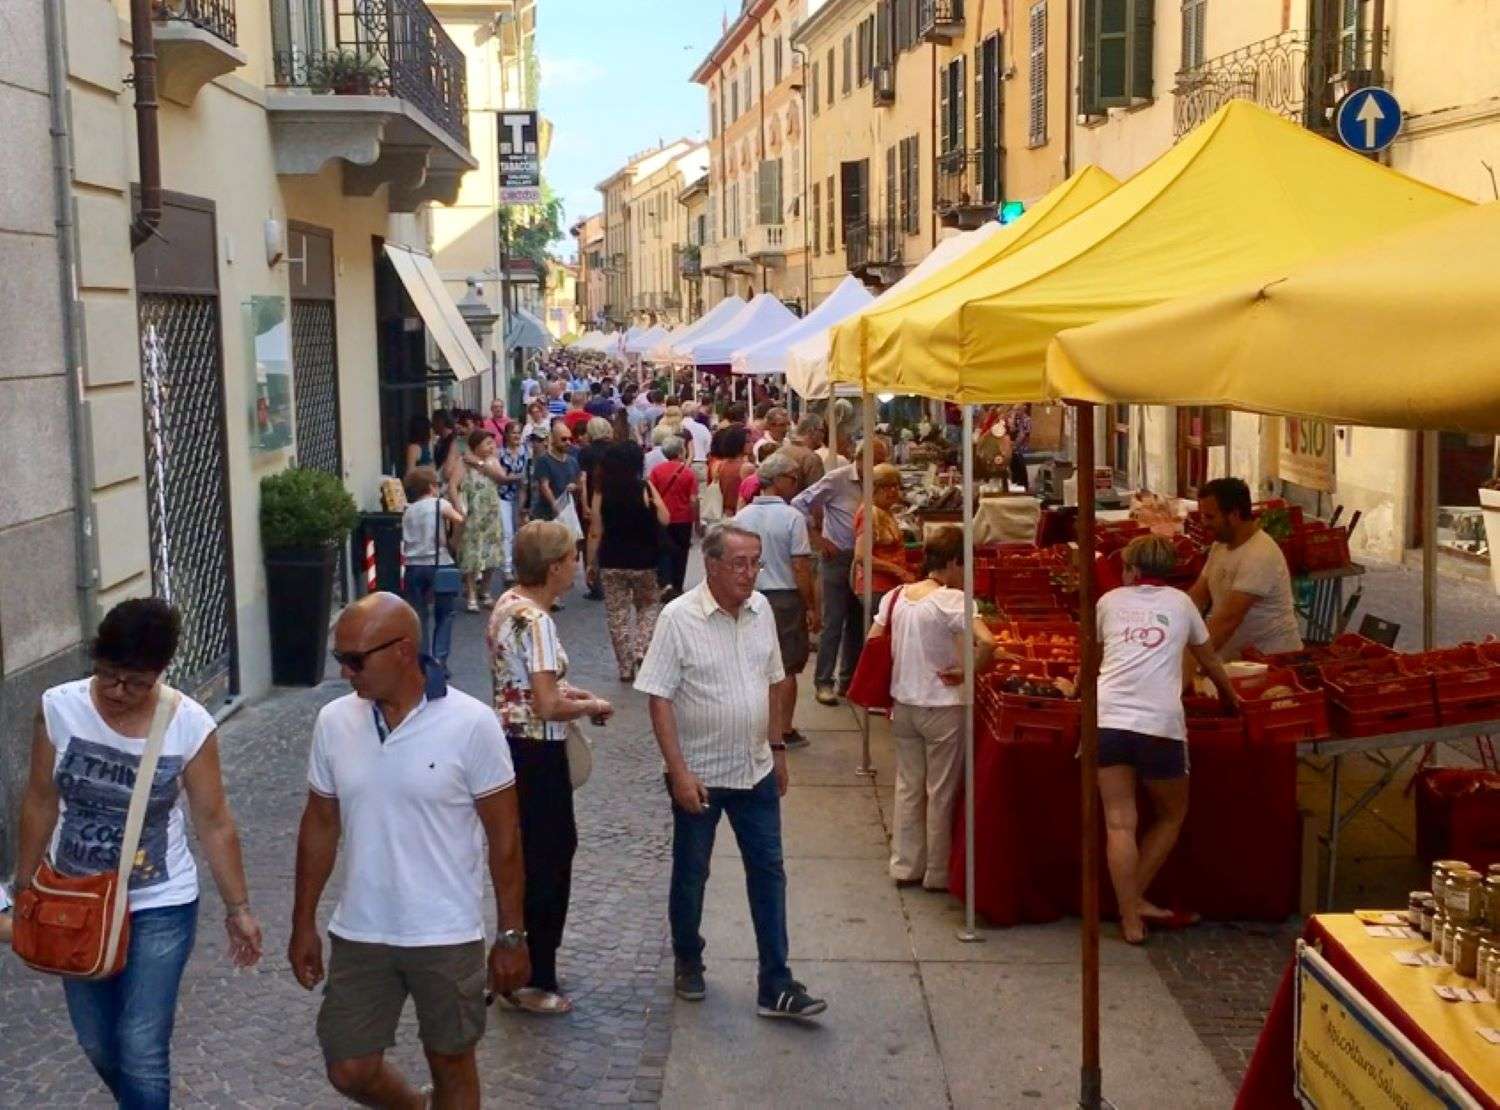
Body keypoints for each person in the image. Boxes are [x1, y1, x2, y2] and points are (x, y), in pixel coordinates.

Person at [15, 598, 263, 1107]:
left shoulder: (189, 725)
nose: (117, 692)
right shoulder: (59, 707)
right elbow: (41, 799)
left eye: (135, 682)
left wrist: (239, 909)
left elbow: (214, 823)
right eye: (107, 675)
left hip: (159, 902)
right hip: (75, 897)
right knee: (96, 1041)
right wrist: (24, 885)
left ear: (161, 673)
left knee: (142, 1045)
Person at [290, 593, 530, 1104]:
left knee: (451, 1061)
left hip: (445, 932)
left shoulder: (472, 724)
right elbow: (320, 823)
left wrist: (511, 934)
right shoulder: (335, 721)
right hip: (360, 930)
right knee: (349, 1067)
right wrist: (302, 922)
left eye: (356, 660)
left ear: (402, 650)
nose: (346, 673)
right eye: (340, 661)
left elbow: (505, 839)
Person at [635, 523, 828, 1021]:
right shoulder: (679, 618)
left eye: (756, 563)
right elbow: (658, 697)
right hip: (700, 772)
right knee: (692, 874)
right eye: (739, 564)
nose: (750, 574)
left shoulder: (762, 609)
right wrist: (677, 770)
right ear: (712, 566)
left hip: (755, 768)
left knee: (768, 873)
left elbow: (774, 680)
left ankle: (776, 982)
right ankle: (688, 956)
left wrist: (778, 746)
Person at [487, 523, 616, 1015]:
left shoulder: (508, 606)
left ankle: (519, 964)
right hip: (537, 752)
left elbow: (523, 687)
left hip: (511, 748)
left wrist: (574, 694)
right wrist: (589, 705)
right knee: (550, 861)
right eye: (572, 558)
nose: (577, 566)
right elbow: (543, 703)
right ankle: (533, 977)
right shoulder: (537, 621)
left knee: (529, 858)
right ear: (555, 565)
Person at [1087, 535, 1241, 943]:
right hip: (1160, 725)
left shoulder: (1110, 602)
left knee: (1119, 823)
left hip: (1109, 719)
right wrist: (1230, 697)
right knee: (1171, 816)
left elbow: (1096, 661)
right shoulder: (1182, 604)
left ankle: (1130, 918)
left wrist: (1076, 694)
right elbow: (1210, 660)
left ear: (1134, 570)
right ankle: (1133, 903)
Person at [867, 527, 996, 891]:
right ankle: (937, 871)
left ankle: (906, 865)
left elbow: (873, 642)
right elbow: (988, 641)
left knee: (909, 786)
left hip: (904, 702)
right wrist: (969, 668)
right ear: (955, 562)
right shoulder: (954, 600)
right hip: (942, 704)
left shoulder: (895, 596)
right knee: (940, 791)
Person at [793, 437, 891, 705]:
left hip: (865, 559)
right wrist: (818, 538)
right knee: (833, 622)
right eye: (877, 461)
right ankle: (824, 681)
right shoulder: (837, 480)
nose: (880, 466)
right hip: (838, 556)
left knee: (858, 622)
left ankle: (849, 681)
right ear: (861, 459)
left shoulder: (878, 482)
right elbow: (799, 503)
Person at [733, 454, 820, 749]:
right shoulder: (792, 518)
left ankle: (754, 724)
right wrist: (810, 605)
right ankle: (783, 728)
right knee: (786, 666)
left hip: (750, 595)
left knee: (752, 663)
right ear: (780, 480)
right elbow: (800, 566)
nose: (796, 484)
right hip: (784, 597)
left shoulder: (742, 517)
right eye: (794, 479)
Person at [1188, 477, 1303, 661]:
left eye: (1210, 517)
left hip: (1271, 661)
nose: (1204, 522)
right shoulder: (1220, 545)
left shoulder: (1260, 554)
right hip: (1237, 658)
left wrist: (1191, 660)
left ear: (1234, 514)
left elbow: (1229, 619)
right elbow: (1197, 595)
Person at [589, 441, 671, 681]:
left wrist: (591, 563)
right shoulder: (644, 487)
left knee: (617, 615)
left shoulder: (601, 492)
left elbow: (596, 530)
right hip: (645, 560)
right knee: (649, 607)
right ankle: (641, 648)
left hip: (612, 560)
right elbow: (665, 518)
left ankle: (625, 667)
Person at [400, 466, 465, 669]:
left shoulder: (408, 510)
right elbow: (459, 519)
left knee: (418, 615)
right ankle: (439, 660)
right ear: (431, 487)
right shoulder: (439, 503)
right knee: (444, 614)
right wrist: (453, 541)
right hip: (439, 563)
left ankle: (422, 660)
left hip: (413, 566)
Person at [455, 428, 507, 612]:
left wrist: (479, 462)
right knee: (471, 554)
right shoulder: (463, 463)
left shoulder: (491, 461)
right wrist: (458, 508)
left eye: (492, 443)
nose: (492, 446)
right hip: (473, 514)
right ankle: (470, 593)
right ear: (476, 446)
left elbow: (501, 478)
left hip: (491, 514)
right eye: (487, 443)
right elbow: (453, 486)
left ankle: (484, 590)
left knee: (491, 554)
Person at [853, 463, 915, 607]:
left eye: (895, 486)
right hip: (876, 589)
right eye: (886, 487)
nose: (893, 491)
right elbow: (861, 556)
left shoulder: (885, 511)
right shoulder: (869, 513)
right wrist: (899, 571)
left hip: (889, 588)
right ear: (874, 489)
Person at [648, 435, 700, 599]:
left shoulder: (656, 471)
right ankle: (678, 585)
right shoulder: (688, 473)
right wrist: (697, 521)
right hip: (683, 518)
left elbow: (651, 495)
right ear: (680, 451)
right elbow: (693, 500)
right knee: (681, 552)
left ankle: (665, 582)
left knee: (663, 551)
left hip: (662, 518)